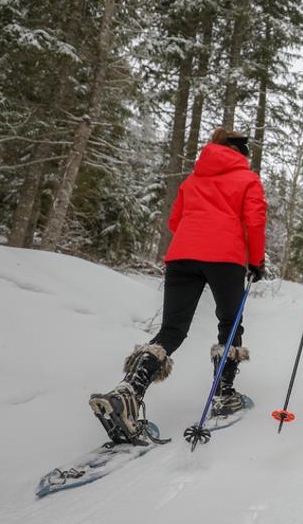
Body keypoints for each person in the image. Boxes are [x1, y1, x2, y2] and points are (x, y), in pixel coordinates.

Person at [89, 128, 267, 443]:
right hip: (225, 257)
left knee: (171, 330)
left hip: (183, 254)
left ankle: (127, 393)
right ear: (241, 153)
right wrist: (256, 261)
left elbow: (175, 221)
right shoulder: (248, 180)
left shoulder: (193, 179)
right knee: (230, 321)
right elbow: (254, 222)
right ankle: (224, 393)